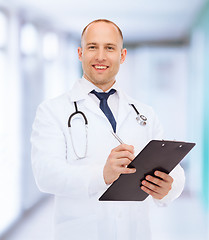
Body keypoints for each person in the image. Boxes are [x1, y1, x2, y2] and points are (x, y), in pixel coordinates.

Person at [30, 19, 185, 240]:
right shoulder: (52, 111)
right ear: (80, 53)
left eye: (109, 48)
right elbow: (46, 175)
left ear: (122, 56)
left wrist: (169, 188)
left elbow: (173, 169)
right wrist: (102, 175)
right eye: (92, 47)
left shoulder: (144, 113)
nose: (101, 56)